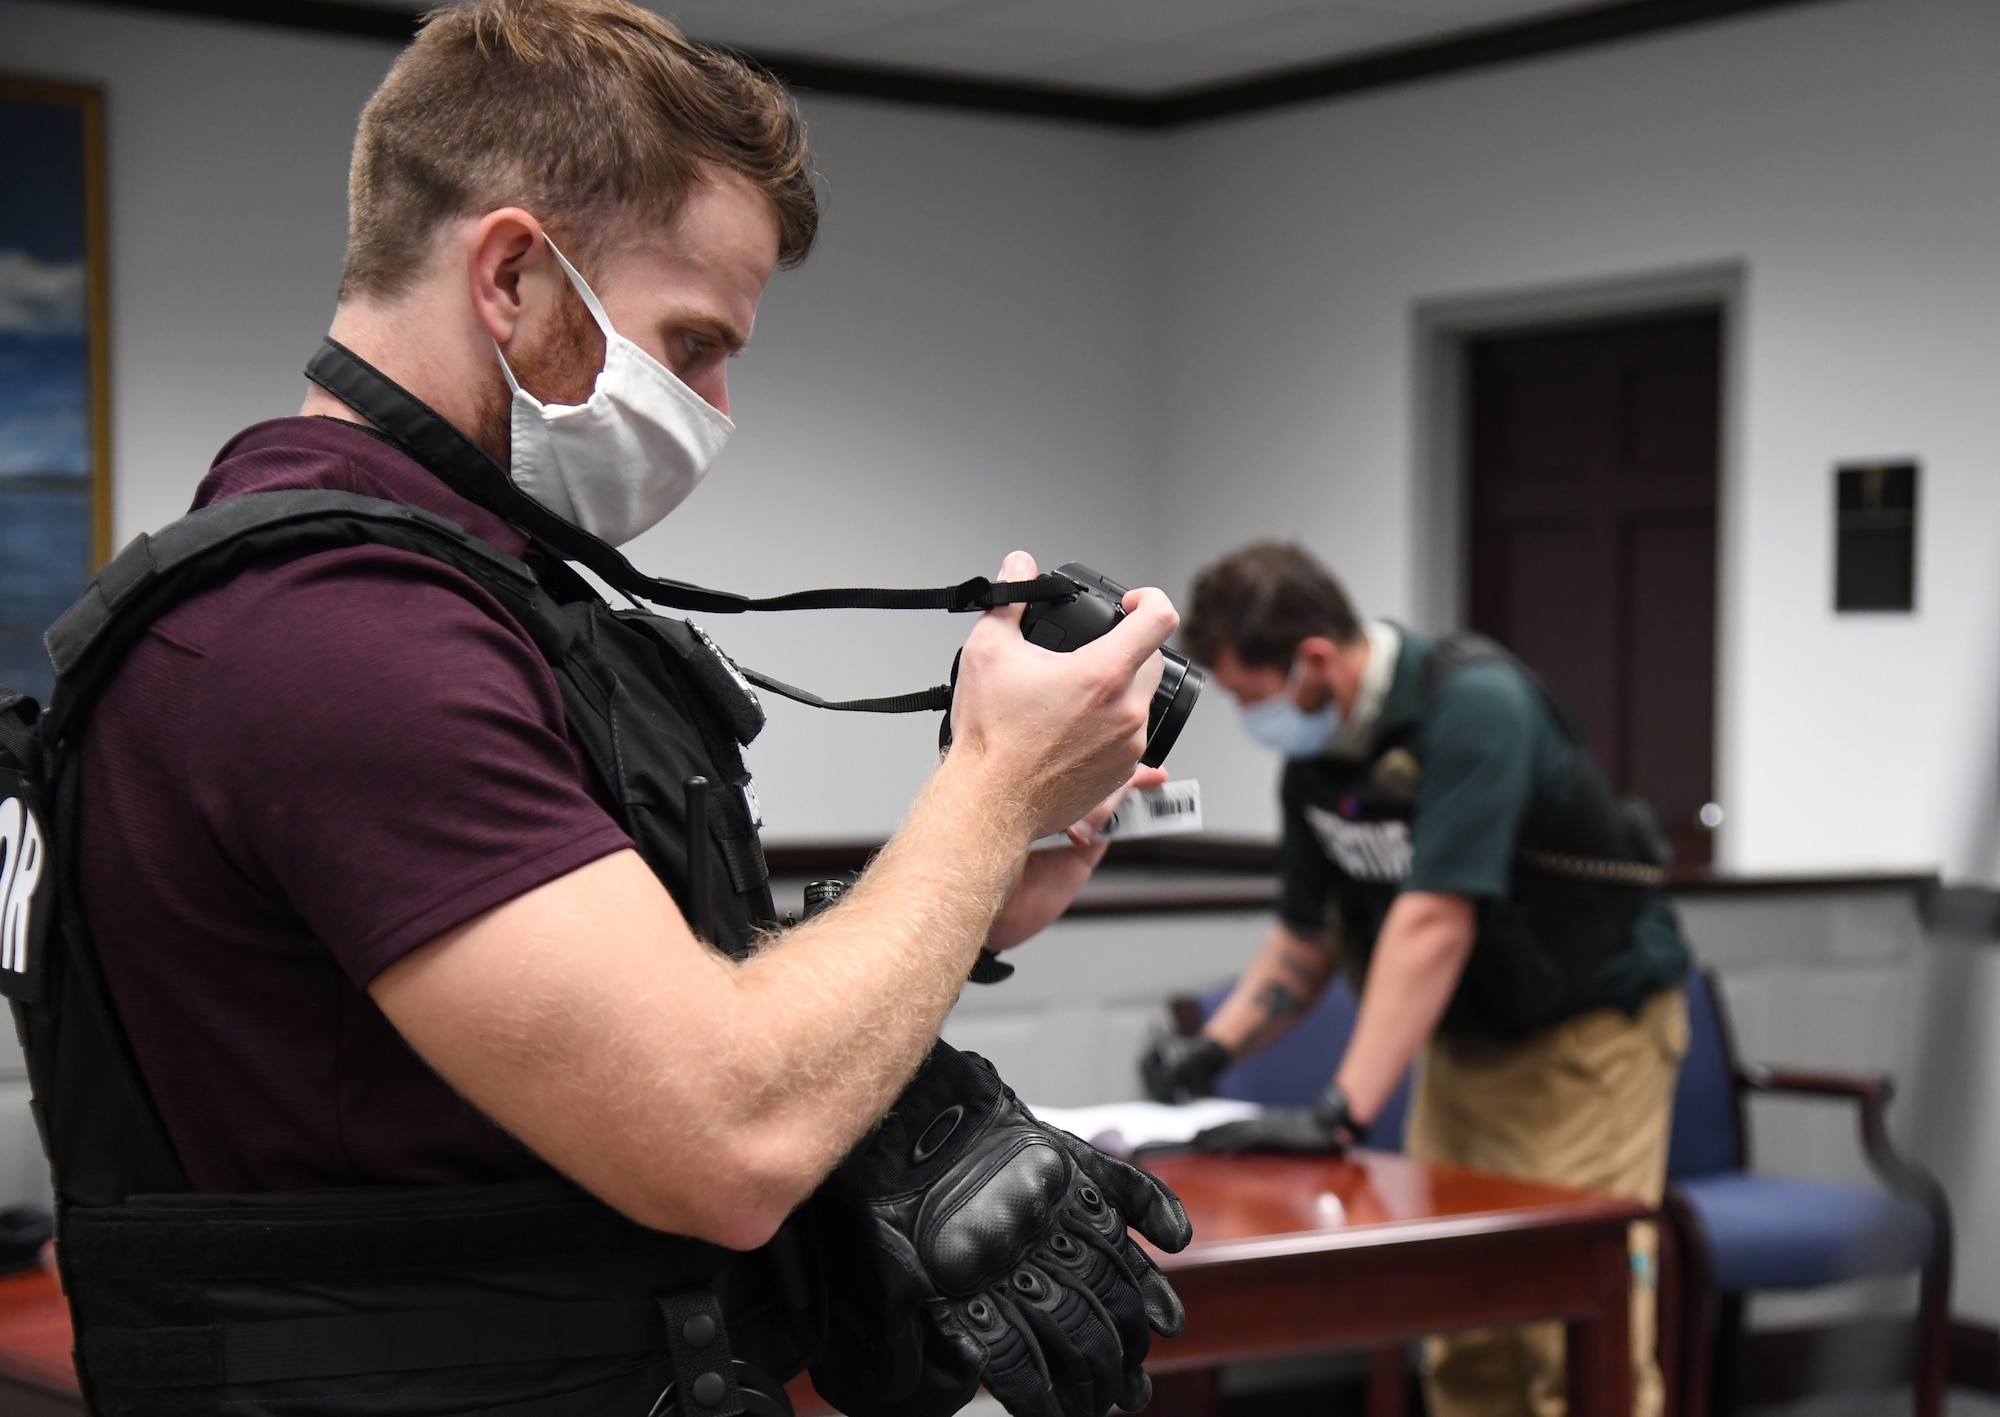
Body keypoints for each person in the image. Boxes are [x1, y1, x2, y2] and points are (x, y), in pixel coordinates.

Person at [4, 5, 1195, 1416]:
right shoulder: (331, 639)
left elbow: (604, 1016)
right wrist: (990, 789)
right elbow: (726, 1134)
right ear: (512, 273)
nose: (718, 405)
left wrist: (974, 887)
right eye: (690, 346)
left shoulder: (439, 601)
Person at [1139, 542, 1691, 1417]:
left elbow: (1435, 921)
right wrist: (1212, 1047)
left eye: (1253, 695)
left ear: (1314, 658)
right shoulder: (1321, 762)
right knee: (1460, 1312)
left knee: (1569, 1322)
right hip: (1469, 1043)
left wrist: (1341, 1108)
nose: (1255, 717)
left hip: (1587, 1043)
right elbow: (1305, 939)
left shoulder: (1475, 707)